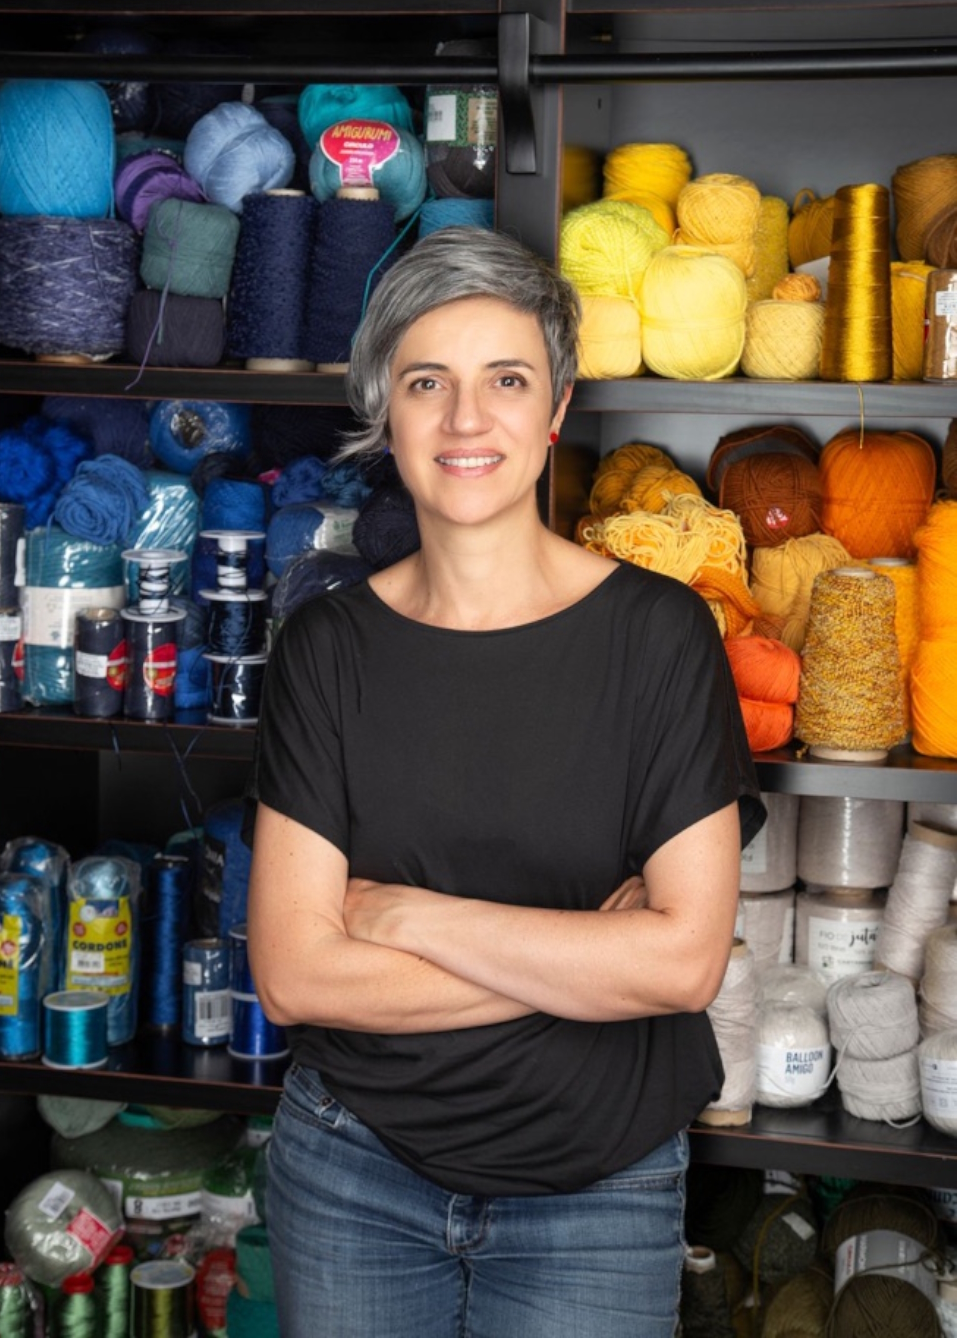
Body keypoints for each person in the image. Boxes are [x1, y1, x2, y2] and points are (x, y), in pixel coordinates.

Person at [247, 226, 764, 1338]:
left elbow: (680, 962)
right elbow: (295, 975)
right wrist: (584, 953)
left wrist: (402, 918)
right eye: (428, 382)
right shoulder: (326, 648)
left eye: (506, 379)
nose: (466, 419)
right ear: (387, 409)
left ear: (557, 408)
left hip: (599, 1186)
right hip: (351, 1172)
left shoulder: (658, 636)